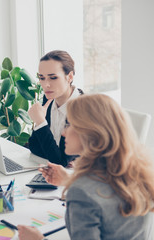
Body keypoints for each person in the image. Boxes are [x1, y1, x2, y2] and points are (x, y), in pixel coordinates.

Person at [18, 94, 154, 240]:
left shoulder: (81, 192)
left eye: (69, 125)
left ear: (91, 133)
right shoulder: (139, 172)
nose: (64, 132)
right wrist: (69, 180)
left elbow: (92, 195)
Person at [28, 50, 83, 167]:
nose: (46, 85)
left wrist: (40, 122)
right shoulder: (49, 99)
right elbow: (34, 147)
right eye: (42, 78)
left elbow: (59, 162)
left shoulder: (83, 108)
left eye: (53, 78)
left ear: (70, 77)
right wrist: (55, 154)